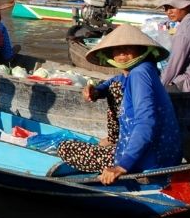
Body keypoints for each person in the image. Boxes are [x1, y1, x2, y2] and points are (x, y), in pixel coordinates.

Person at [57, 25, 183, 184]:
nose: (122, 53)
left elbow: (146, 122)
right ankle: (114, 140)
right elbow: (115, 82)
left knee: (65, 147)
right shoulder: (142, 70)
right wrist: (96, 90)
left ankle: (116, 150)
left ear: (140, 50)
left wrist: (122, 166)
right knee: (114, 87)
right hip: (161, 153)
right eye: (117, 49)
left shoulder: (139, 75)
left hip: (147, 160)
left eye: (128, 48)